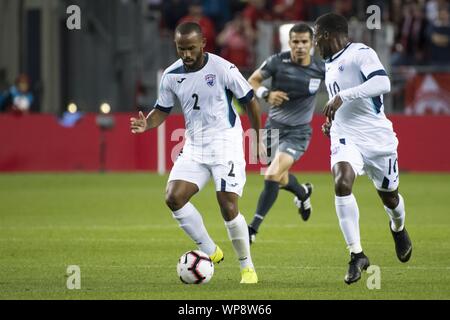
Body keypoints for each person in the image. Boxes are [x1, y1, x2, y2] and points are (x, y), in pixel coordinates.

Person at [130, 22, 263, 284]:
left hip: (226, 142)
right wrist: (148, 123)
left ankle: (247, 267)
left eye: (191, 48)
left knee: (227, 205)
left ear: (203, 43)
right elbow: (162, 110)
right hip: (194, 145)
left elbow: (250, 101)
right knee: (173, 197)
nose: (187, 54)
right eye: (181, 49)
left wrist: (258, 136)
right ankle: (211, 251)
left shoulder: (223, 68)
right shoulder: (171, 75)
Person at [314, 13, 413, 285]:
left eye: (314, 37)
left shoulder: (360, 52)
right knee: (342, 182)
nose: (313, 44)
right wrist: (331, 123)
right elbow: (342, 106)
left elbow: (383, 83)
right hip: (345, 136)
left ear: (324, 34)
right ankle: (357, 254)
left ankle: (398, 227)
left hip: (377, 139)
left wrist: (343, 96)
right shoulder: (328, 64)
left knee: (391, 199)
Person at [247, 23, 325, 244]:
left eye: (304, 42)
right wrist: (266, 94)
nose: (300, 46)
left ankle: (252, 228)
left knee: (271, 175)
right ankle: (302, 193)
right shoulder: (277, 61)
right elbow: (251, 81)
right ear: (289, 42)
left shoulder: (321, 68)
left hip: (298, 133)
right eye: (295, 42)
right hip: (273, 129)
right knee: (280, 178)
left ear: (312, 44)